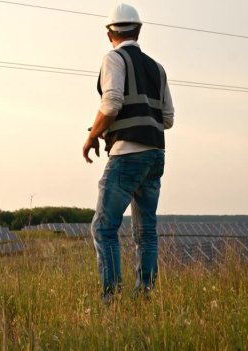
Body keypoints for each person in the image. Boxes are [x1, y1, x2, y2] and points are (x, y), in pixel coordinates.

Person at [82, 2, 174, 302]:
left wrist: (93, 135)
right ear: (139, 30)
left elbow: (111, 103)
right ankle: (145, 295)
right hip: (155, 154)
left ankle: (111, 299)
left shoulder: (113, 58)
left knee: (104, 227)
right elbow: (169, 119)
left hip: (127, 154)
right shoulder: (158, 69)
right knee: (146, 232)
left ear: (109, 33)